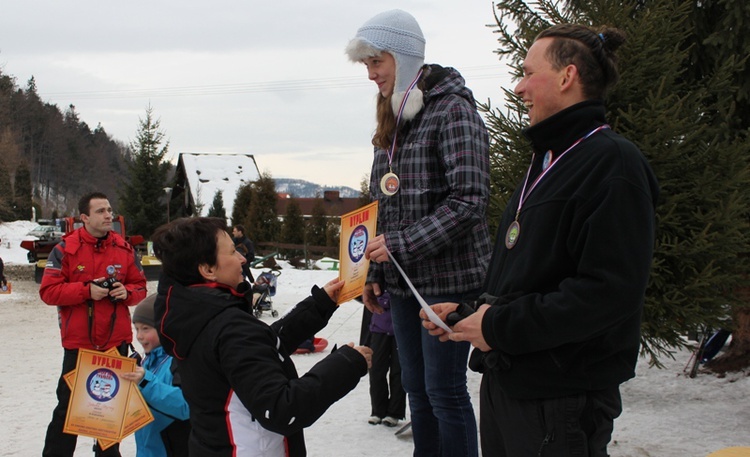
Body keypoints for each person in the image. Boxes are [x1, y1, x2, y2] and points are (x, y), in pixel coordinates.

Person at [422, 24, 660, 457]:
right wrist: (470, 313)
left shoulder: (613, 164)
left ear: (567, 77)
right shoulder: (547, 161)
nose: (519, 87)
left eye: (528, 73)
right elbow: (532, 275)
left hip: (561, 397)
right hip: (511, 383)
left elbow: (608, 294)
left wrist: (496, 326)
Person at [346, 9, 491, 457]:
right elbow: (384, 204)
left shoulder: (454, 111)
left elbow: (469, 199)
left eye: (377, 63)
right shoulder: (392, 120)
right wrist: (373, 271)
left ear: (404, 58)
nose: (371, 74)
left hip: (448, 284)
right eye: (366, 65)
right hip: (403, 286)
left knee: (445, 393)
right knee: (417, 390)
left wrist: (401, 245)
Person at [150, 217, 372, 457]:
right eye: (233, 251)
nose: (242, 259)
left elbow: (255, 352)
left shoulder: (194, 315)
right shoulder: (228, 326)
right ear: (208, 269)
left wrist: (319, 305)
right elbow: (282, 409)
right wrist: (347, 363)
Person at [39, 191, 148, 457]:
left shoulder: (124, 249)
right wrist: (86, 291)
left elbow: (141, 288)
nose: (108, 215)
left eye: (110, 210)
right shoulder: (65, 249)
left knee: (110, 411)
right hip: (79, 346)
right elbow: (48, 292)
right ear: (84, 218)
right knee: (67, 409)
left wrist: (127, 293)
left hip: (115, 344)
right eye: (101, 211)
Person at [121, 294, 190, 457]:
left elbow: (185, 406)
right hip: (148, 448)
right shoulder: (147, 362)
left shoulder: (179, 361)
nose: (139, 336)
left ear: (165, 328)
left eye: (146, 328)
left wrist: (145, 382)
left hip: (173, 448)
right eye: (137, 329)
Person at [366, 291, 406, 427]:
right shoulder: (379, 273)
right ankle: (377, 411)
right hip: (379, 328)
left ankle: (395, 412)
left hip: (401, 328)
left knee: (398, 371)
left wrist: (384, 301)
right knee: (376, 369)